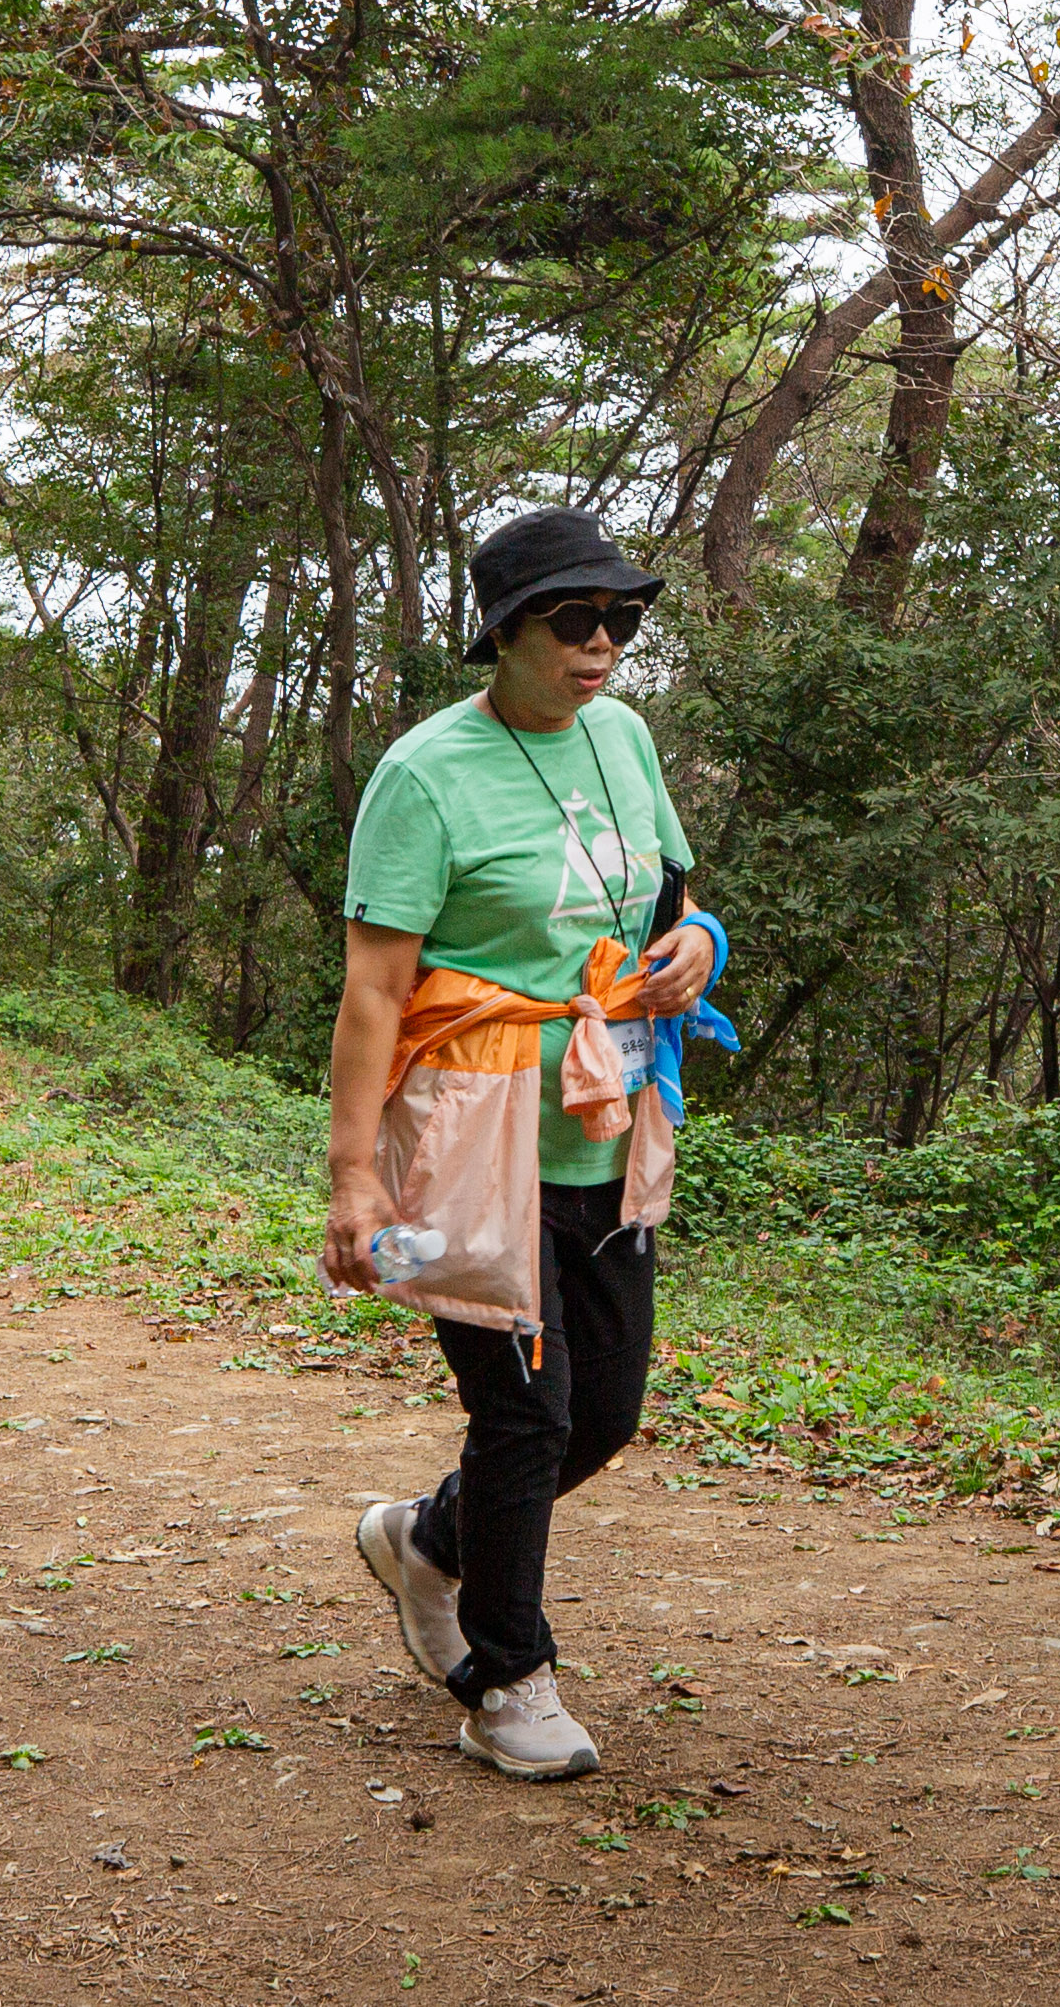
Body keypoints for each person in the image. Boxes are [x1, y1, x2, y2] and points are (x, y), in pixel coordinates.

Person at [326, 508, 721, 1784]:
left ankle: (427, 1540)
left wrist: (700, 943)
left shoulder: (621, 735)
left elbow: (674, 896)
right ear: (502, 632)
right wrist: (352, 1175)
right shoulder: (427, 773)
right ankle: (508, 1674)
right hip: (466, 1133)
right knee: (525, 1417)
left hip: (607, 1122)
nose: (602, 642)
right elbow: (374, 990)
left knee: (600, 1414)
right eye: (573, 619)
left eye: (621, 618)